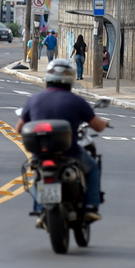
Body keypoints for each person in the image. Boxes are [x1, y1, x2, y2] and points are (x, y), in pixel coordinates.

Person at [15, 58, 108, 221]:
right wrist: (105, 122)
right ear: (70, 78)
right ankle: (90, 206)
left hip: (41, 154)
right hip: (70, 153)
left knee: (39, 174)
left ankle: (40, 209)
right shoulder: (77, 101)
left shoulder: (33, 100)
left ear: (48, 78)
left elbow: (19, 129)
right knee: (93, 168)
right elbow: (98, 127)